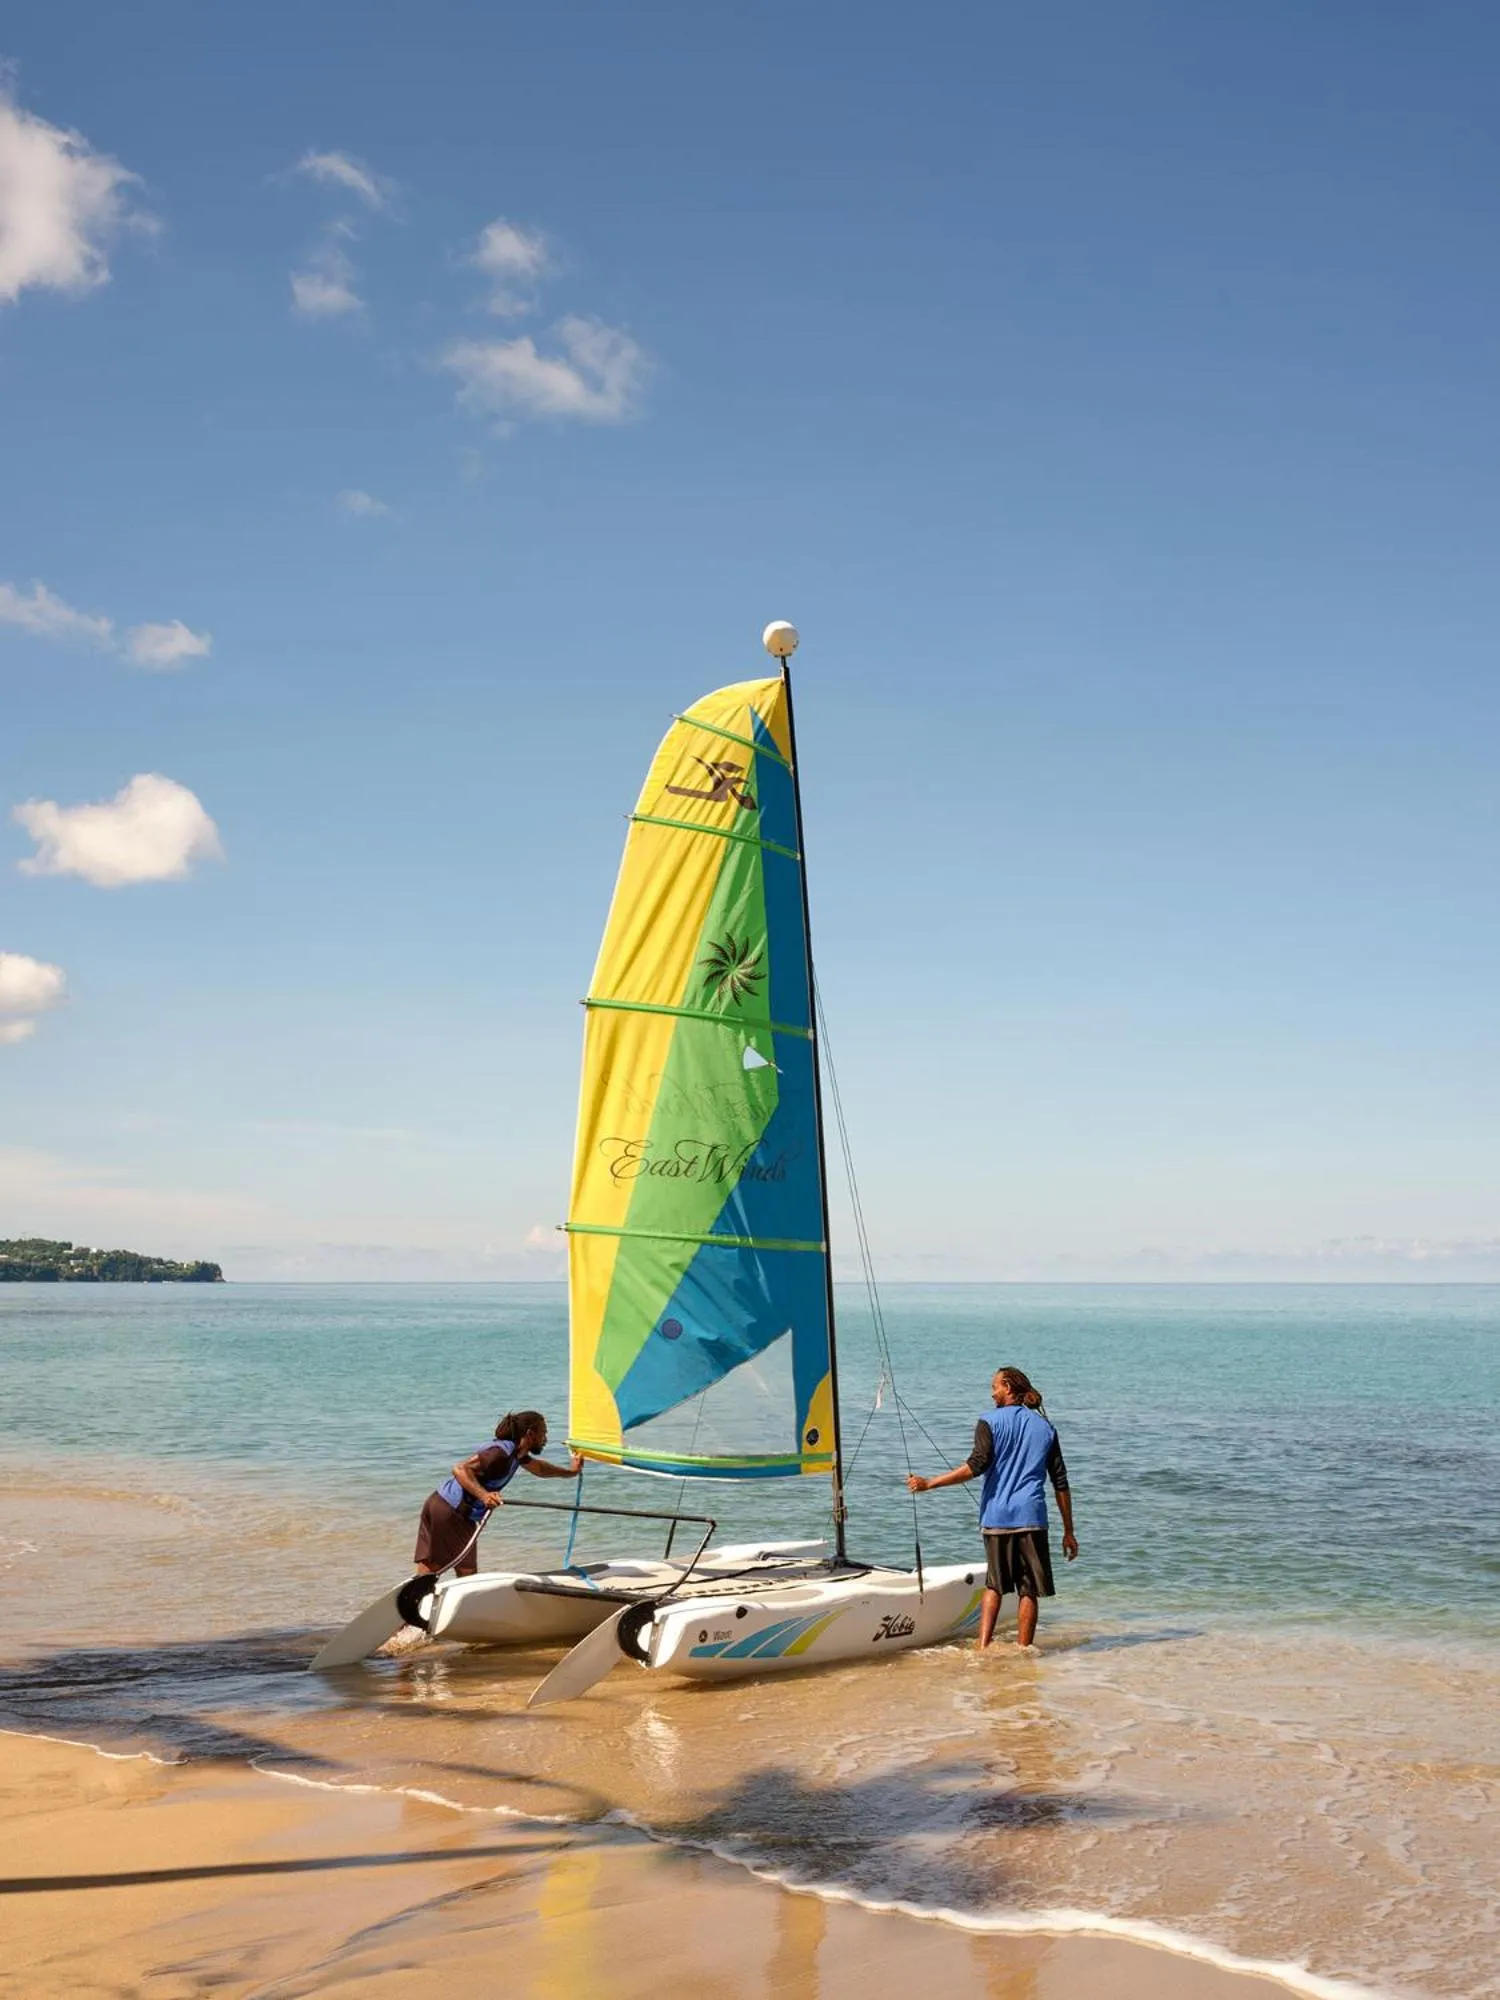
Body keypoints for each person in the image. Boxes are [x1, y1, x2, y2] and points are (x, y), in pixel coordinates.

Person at [906, 1366, 1078, 1650]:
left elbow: (976, 1466)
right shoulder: (1046, 1428)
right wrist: (1069, 1531)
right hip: (1032, 1518)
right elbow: (1060, 1482)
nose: (992, 1392)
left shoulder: (989, 1421)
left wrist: (930, 1483)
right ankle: (1024, 1651)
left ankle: (983, 1649)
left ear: (1008, 1387)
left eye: (995, 1386)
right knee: (1029, 1591)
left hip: (998, 1517)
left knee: (994, 1586)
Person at [412, 1410, 583, 1579]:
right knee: (461, 1572)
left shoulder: (517, 1454)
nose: (545, 1439)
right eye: (543, 1433)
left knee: (438, 1566)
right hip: (452, 1511)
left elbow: (541, 1469)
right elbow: (460, 1469)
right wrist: (484, 1496)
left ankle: (413, 1601)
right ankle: (422, 1600)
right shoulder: (500, 1453)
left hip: (440, 1504)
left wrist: (572, 1471)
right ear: (530, 1434)